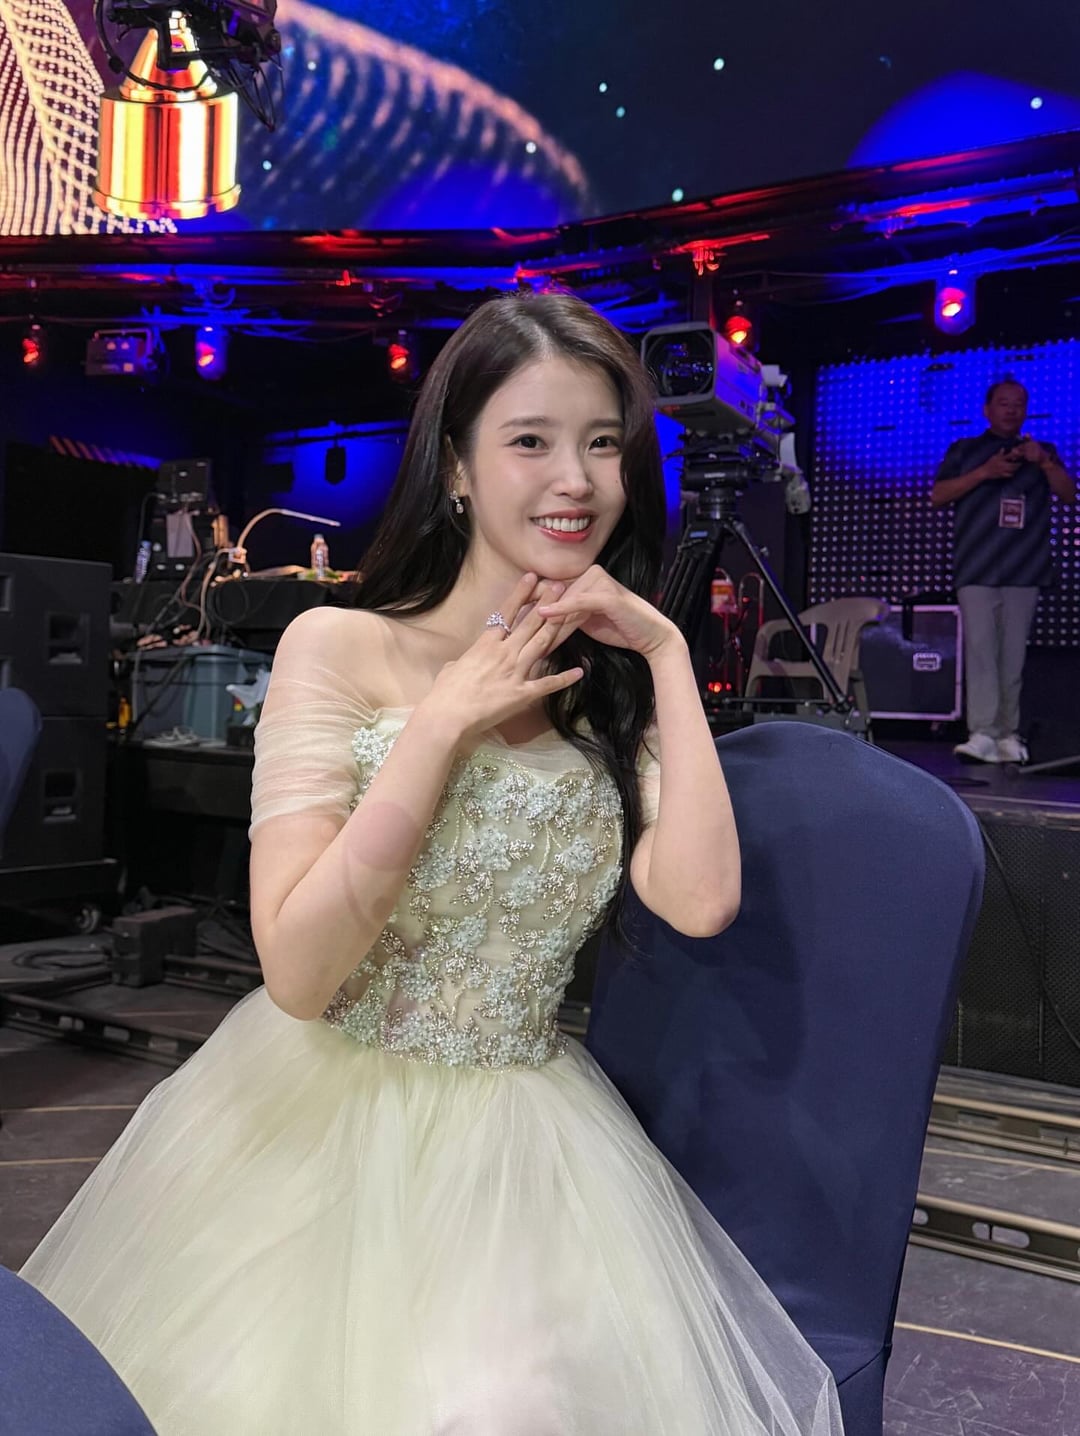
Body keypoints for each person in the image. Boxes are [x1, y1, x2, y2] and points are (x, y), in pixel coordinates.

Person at [21, 294, 843, 1435]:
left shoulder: (609, 691)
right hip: (320, 1127)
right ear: (456, 467)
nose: (576, 479)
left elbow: (701, 901)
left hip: (531, 1147)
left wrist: (661, 648)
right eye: (530, 440)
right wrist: (441, 724)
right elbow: (299, 970)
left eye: (603, 443)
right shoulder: (340, 644)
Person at [931, 378, 1075, 763]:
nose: (1012, 410)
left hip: (1025, 568)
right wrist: (985, 471)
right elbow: (938, 495)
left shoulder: (1042, 452)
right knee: (981, 651)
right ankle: (982, 732)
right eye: (1004, 403)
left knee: (1012, 657)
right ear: (987, 409)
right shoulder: (965, 449)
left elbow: (1069, 494)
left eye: (1019, 404)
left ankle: (1009, 733)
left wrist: (1043, 462)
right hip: (976, 566)